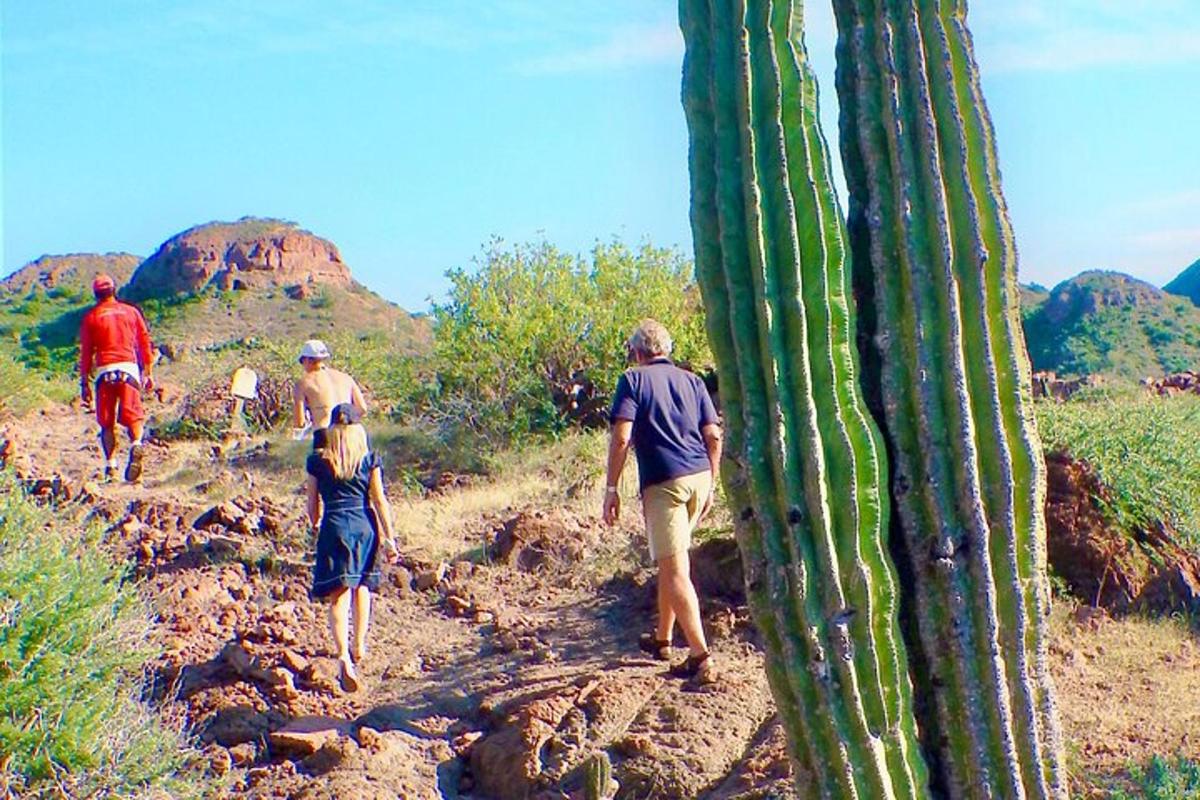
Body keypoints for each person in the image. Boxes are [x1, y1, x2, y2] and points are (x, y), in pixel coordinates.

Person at [603, 319, 722, 684]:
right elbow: (714, 435)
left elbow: (622, 438)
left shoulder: (633, 380)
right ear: (666, 350)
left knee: (675, 570)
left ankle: (701, 657)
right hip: (700, 478)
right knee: (672, 561)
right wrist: (712, 483)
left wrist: (611, 489)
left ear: (637, 352)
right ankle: (662, 639)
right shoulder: (693, 381)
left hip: (664, 483)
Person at [305, 403, 399, 692]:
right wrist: (389, 537)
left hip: (334, 522)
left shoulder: (318, 461)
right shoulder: (369, 459)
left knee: (338, 595)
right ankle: (359, 644)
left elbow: (312, 505)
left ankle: (343, 654)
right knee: (363, 587)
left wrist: (315, 525)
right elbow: (379, 499)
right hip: (363, 524)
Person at [78, 274, 155, 483]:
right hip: (128, 368)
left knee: (106, 423)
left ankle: (111, 467)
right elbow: (143, 341)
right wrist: (147, 370)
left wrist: (84, 382)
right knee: (134, 415)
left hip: (105, 371)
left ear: (96, 294)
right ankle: (137, 443)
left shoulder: (91, 317)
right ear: (114, 290)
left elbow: (86, 353)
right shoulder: (131, 312)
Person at [292, 340, 368, 444]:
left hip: (325, 436)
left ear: (307, 360)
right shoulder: (346, 378)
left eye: (302, 362)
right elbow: (362, 408)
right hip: (352, 434)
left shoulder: (303, 383)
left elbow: (299, 423)